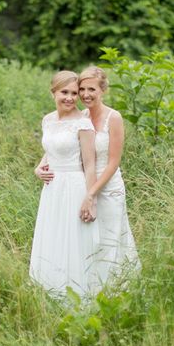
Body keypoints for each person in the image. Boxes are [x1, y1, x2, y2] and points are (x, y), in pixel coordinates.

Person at [29, 71, 101, 297]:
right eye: (64, 92)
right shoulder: (48, 120)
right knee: (52, 238)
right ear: (53, 93)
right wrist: (38, 168)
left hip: (73, 186)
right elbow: (50, 151)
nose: (69, 98)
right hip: (52, 190)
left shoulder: (83, 124)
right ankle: (49, 290)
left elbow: (89, 164)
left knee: (71, 241)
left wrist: (90, 199)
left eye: (73, 93)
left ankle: (75, 294)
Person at [78, 66, 140, 287]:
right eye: (82, 89)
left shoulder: (113, 118)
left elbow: (114, 162)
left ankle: (116, 292)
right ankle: (90, 291)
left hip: (109, 188)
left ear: (102, 90)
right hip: (86, 189)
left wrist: (92, 193)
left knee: (111, 241)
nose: (86, 94)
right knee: (90, 242)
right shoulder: (80, 116)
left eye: (92, 89)